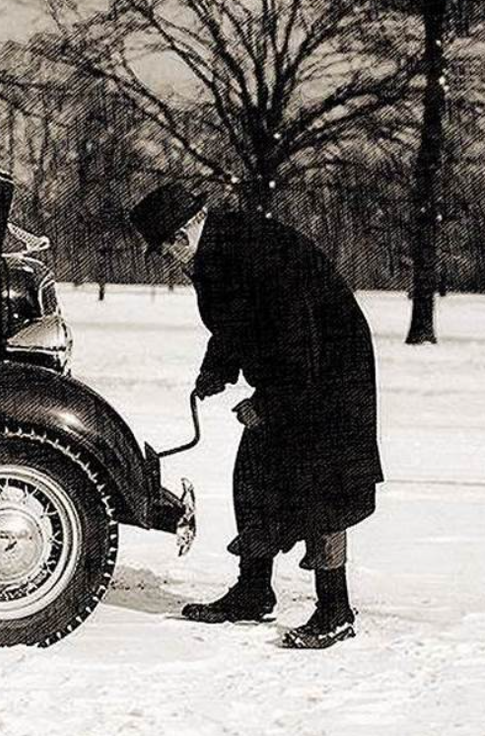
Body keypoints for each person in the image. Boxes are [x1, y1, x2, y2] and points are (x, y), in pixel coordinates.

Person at [129, 183, 383, 649]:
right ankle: (252, 591)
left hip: (329, 372)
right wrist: (216, 370)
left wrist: (267, 403)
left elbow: (294, 332)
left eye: (166, 245)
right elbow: (237, 323)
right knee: (256, 475)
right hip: (298, 368)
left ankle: (335, 610)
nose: (165, 256)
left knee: (323, 488)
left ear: (186, 230)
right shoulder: (216, 254)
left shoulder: (250, 251)